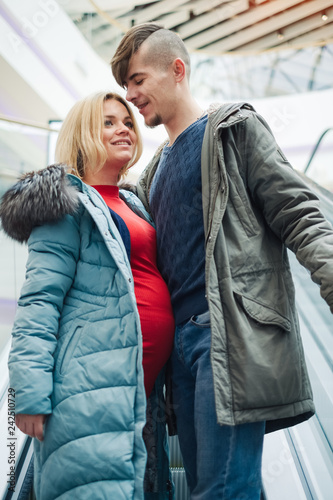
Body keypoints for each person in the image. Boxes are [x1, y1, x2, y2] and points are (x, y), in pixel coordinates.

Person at [111, 23, 333, 499]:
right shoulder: (155, 173)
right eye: (125, 85)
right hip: (181, 355)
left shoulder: (233, 129)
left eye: (137, 80)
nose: (130, 95)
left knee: (220, 490)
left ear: (177, 70)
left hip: (226, 333)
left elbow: (299, 211)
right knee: (215, 487)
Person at [0, 91, 175, 500]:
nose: (123, 129)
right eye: (109, 122)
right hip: (89, 391)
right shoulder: (68, 204)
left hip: (141, 395)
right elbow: (39, 303)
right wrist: (28, 394)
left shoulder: (133, 201)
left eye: (128, 122)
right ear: (83, 134)